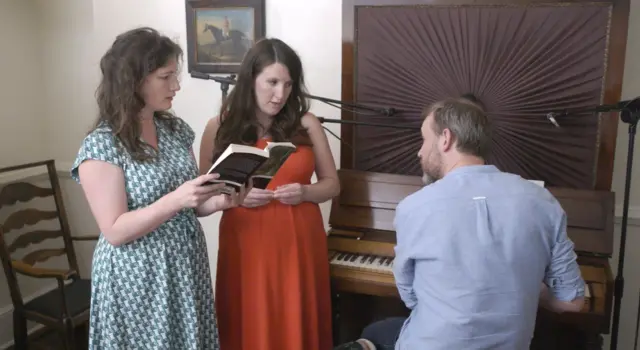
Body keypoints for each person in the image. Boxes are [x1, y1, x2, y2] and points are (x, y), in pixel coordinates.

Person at [335, 98, 585, 350]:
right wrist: (528, 286)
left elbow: (411, 297)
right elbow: (572, 301)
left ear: (446, 138)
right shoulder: (543, 201)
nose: (419, 151)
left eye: (424, 139)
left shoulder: (415, 206)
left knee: (374, 330)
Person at [71, 27, 246, 349]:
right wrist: (175, 200)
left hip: (184, 266)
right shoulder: (102, 145)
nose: (176, 86)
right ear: (134, 79)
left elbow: (192, 205)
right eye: (166, 77)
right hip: (138, 276)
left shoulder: (174, 129)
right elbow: (115, 231)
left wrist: (219, 201)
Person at [199, 38, 340, 350]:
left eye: (288, 85)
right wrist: (234, 198)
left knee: (297, 320)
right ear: (251, 80)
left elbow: (332, 184)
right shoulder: (218, 127)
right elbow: (200, 199)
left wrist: (305, 191)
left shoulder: (307, 123)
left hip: (298, 241)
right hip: (246, 242)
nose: (280, 95)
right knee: (250, 320)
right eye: (272, 83)